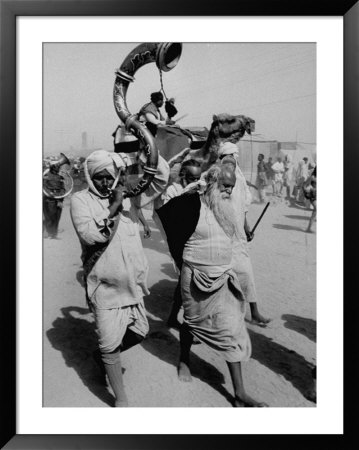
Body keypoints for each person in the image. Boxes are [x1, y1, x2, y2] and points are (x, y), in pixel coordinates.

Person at [157, 165, 267, 407]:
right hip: (195, 276)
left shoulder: (227, 207)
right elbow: (164, 218)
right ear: (213, 183)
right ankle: (184, 359)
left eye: (231, 186)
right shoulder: (191, 203)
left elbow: (233, 237)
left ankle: (239, 392)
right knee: (192, 322)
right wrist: (181, 260)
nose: (228, 190)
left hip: (223, 276)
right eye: (225, 186)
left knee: (233, 329)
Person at [70, 149, 170, 407]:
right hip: (104, 286)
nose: (105, 182)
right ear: (91, 177)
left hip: (131, 285)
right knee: (109, 343)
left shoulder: (127, 196)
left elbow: (159, 180)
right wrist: (114, 206)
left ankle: (101, 355)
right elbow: (93, 236)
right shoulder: (82, 201)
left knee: (140, 331)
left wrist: (150, 145)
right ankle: (121, 399)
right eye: (100, 177)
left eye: (109, 176)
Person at [218, 142, 271, 326]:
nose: (234, 159)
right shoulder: (222, 176)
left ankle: (254, 311)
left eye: (235, 156)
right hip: (225, 232)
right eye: (232, 156)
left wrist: (247, 228)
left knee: (246, 272)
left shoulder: (238, 177)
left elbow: (243, 208)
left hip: (239, 233)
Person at [154, 159, 202, 329]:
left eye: (198, 178)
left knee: (186, 281)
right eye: (191, 179)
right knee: (188, 282)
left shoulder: (198, 189)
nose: (195, 182)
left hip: (194, 241)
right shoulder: (172, 191)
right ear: (182, 176)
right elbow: (168, 219)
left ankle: (174, 316)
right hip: (179, 242)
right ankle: (187, 323)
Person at [43, 163, 66, 239]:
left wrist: (61, 195)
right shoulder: (46, 176)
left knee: (57, 216)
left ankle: (54, 234)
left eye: (58, 167)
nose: (58, 169)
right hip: (49, 199)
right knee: (50, 216)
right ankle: (48, 232)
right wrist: (50, 193)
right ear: (53, 168)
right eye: (57, 167)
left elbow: (63, 188)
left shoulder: (60, 177)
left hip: (59, 199)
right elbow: (44, 187)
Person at [303, 165, 317, 233]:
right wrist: (308, 191)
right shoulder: (312, 177)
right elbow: (304, 185)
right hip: (313, 196)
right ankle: (309, 228)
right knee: (316, 209)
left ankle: (309, 228)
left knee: (315, 212)